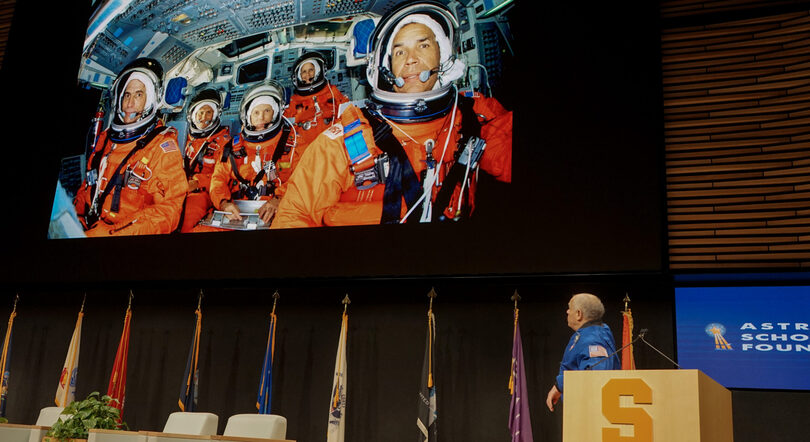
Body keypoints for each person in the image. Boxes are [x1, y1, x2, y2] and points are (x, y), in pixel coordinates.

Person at [271, 1, 512, 228]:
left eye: (423, 45)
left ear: (445, 55)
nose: (411, 60)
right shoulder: (348, 138)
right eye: (399, 52)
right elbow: (294, 214)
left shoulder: (475, 115)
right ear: (386, 69)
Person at [74, 58, 188, 236]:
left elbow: (169, 211)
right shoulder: (106, 138)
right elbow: (88, 186)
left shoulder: (161, 147)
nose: (130, 103)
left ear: (150, 100)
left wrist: (112, 233)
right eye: (127, 94)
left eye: (139, 95)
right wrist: (74, 218)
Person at [208, 80, 295, 225]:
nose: (261, 117)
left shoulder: (291, 143)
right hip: (237, 212)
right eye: (256, 112)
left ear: (275, 113)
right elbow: (218, 179)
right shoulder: (232, 147)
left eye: (267, 111)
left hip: (279, 209)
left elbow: (301, 178)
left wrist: (279, 199)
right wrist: (223, 203)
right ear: (248, 117)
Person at [546, 293, 620, 412]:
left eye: (570, 308)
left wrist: (559, 385)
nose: (567, 312)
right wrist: (559, 387)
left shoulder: (593, 339)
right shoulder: (589, 334)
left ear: (579, 314)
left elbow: (595, 375)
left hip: (590, 414)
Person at [180, 88, 230, 232]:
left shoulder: (223, 142)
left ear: (215, 115)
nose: (204, 116)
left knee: (186, 219)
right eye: (200, 112)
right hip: (178, 187)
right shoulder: (183, 137)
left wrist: (197, 182)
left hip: (203, 192)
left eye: (209, 112)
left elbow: (222, 177)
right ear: (193, 115)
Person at [284, 51, 349, 149]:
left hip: (333, 140)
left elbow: (346, 110)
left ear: (317, 71)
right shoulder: (294, 101)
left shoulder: (331, 90)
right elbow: (287, 124)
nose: (308, 74)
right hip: (307, 147)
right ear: (298, 76)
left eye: (311, 70)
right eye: (304, 72)